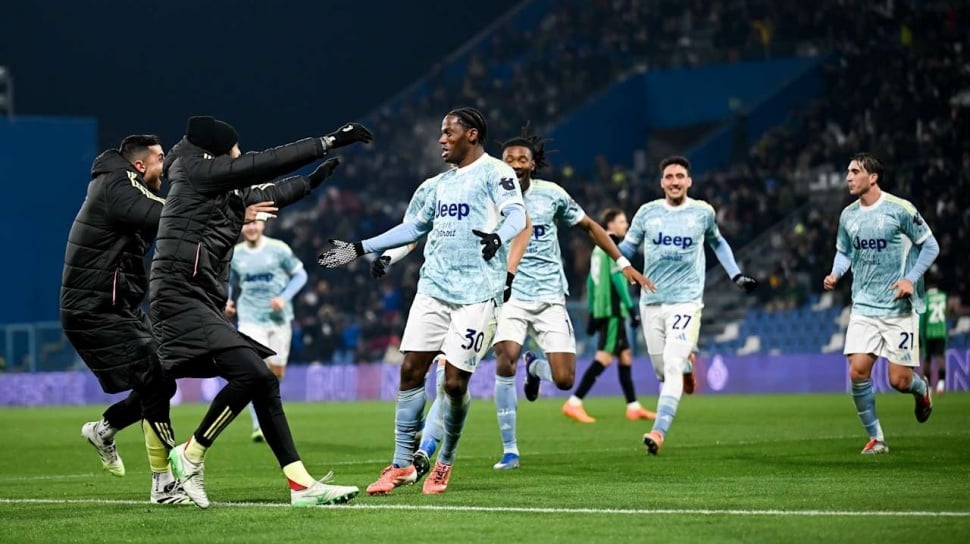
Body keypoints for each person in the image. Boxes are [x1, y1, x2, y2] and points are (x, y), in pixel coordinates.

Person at [151, 115, 370, 508]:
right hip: (179, 296)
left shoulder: (217, 186)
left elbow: (266, 193)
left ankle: (300, 485)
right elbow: (264, 164)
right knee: (253, 374)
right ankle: (190, 453)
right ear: (217, 152)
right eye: (234, 149)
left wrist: (310, 183)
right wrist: (327, 141)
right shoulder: (197, 171)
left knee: (263, 380)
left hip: (198, 297)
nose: (240, 154)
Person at [318, 107, 527, 494]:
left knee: (454, 384)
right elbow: (413, 228)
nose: (441, 139)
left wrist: (499, 235)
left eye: (449, 132)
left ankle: (444, 461)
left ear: (472, 135)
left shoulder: (496, 172)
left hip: (478, 295)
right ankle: (401, 465)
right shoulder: (435, 185)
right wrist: (361, 248)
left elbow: (517, 214)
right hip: (433, 289)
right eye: (441, 133)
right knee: (411, 370)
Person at [488, 126, 651, 470]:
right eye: (509, 159)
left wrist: (623, 263)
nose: (515, 164)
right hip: (509, 294)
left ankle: (535, 367)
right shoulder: (488, 197)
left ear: (532, 165)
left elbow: (591, 226)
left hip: (550, 295)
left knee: (564, 379)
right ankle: (510, 450)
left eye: (522, 159)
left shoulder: (552, 195)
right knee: (505, 360)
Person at [61, 134, 189, 505]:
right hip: (94, 309)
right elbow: (167, 215)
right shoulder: (117, 184)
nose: (165, 166)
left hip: (118, 306)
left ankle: (104, 430)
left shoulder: (121, 185)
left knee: (163, 381)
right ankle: (163, 484)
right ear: (139, 164)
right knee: (156, 382)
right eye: (161, 158)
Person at [618, 155, 759, 456]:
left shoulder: (702, 212)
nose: (675, 182)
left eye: (680, 176)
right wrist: (614, 258)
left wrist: (735, 275)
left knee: (670, 364)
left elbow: (717, 242)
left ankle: (658, 431)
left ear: (689, 181)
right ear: (661, 183)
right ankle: (687, 365)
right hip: (651, 301)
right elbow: (627, 248)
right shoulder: (647, 213)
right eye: (669, 177)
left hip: (686, 302)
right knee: (662, 371)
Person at [823, 153, 938, 455]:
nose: (848, 177)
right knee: (857, 371)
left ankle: (921, 389)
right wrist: (836, 273)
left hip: (898, 309)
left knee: (899, 381)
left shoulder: (900, 209)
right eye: (847, 172)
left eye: (855, 171)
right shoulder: (848, 215)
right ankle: (877, 438)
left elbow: (931, 245)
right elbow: (844, 251)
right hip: (863, 306)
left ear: (872, 177)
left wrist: (910, 279)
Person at [563, 208, 657, 424]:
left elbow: (590, 281)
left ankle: (633, 407)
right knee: (604, 357)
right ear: (610, 225)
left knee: (625, 356)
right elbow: (617, 280)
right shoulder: (612, 248)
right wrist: (630, 308)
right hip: (613, 311)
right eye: (622, 221)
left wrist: (593, 312)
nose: (626, 225)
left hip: (603, 310)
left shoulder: (597, 249)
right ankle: (574, 402)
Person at [226, 217, 307, 442]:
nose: (251, 227)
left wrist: (284, 297)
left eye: (255, 223)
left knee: (276, 373)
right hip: (250, 319)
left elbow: (301, 275)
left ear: (262, 225)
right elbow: (228, 281)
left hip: (279, 320)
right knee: (255, 370)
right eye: (247, 223)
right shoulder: (236, 254)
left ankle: (266, 413)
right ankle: (259, 424)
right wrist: (228, 301)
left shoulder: (279, 249)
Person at [919, 272, 948, 395]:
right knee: (940, 357)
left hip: (928, 333)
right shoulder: (943, 296)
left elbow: (922, 318)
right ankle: (941, 384)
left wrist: (920, 333)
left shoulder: (925, 298)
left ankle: (929, 387)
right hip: (941, 331)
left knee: (927, 359)